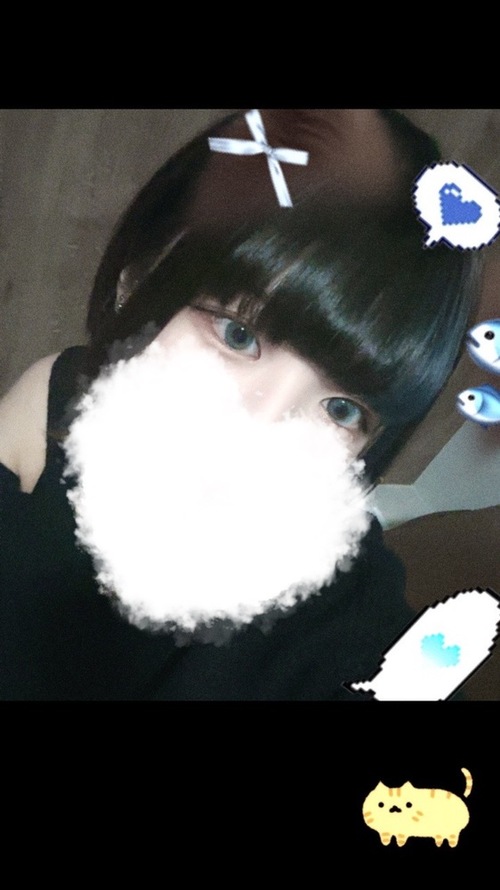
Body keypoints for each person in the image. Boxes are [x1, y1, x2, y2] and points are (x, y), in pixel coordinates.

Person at [0, 110, 482, 700]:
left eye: (341, 410)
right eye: (237, 335)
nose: (262, 428)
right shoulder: (57, 394)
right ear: (140, 278)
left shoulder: (335, 608)